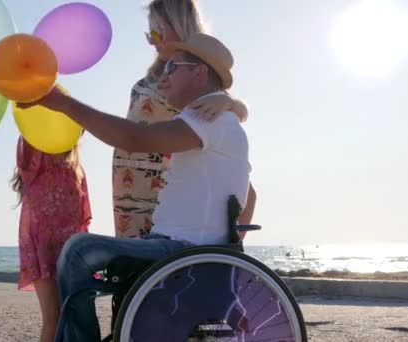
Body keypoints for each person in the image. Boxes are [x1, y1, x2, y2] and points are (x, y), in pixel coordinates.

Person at [19, 32, 256, 342]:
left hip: (179, 252)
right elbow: (250, 194)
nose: (163, 77)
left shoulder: (210, 120)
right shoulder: (220, 121)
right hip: (189, 251)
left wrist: (62, 103)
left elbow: (134, 139)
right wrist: (228, 248)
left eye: (172, 67)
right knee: (83, 252)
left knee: (78, 250)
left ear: (199, 73)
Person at [113, 0, 251, 238]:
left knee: (155, 264)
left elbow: (230, 116)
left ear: (179, 25)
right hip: (130, 187)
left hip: (162, 188)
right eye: (149, 34)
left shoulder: (193, 74)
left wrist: (228, 102)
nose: (153, 40)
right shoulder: (153, 77)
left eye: (157, 32)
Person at [11, 136, 92, 341]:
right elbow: (29, 132)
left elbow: (82, 221)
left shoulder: (76, 169)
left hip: (72, 251)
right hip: (42, 249)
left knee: (75, 317)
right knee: (53, 317)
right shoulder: (35, 160)